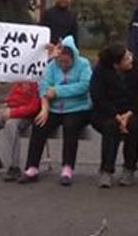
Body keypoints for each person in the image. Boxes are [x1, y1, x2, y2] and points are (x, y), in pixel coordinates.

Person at [20, 35, 92, 187]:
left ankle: (67, 168)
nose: (63, 65)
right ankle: (32, 167)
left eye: (67, 62)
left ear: (73, 57)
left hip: (78, 107)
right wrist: (44, 108)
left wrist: (58, 91)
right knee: (39, 125)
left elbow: (84, 86)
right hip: (54, 108)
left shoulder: (84, 65)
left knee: (71, 126)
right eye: (61, 61)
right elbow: (44, 86)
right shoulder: (52, 65)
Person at [90, 43, 138, 188]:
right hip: (107, 112)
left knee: (134, 125)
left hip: (134, 110)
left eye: (129, 55)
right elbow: (98, 97)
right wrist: (116, 116)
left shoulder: (136, 66)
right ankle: (106, 170)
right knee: (110, 126)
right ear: (116, 65)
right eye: (126, 58)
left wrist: (128, 114)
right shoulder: (101, 70)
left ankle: (129, 168)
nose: (130, 58)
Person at [0, 81, 40, 181]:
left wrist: (12, 113)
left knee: (10, 125)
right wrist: (7, 104)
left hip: (25, 114)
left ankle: (14, 167)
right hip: (10, 108)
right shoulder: (20, 76)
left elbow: (34, 107)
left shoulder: (39, 80)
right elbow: (14, 96)